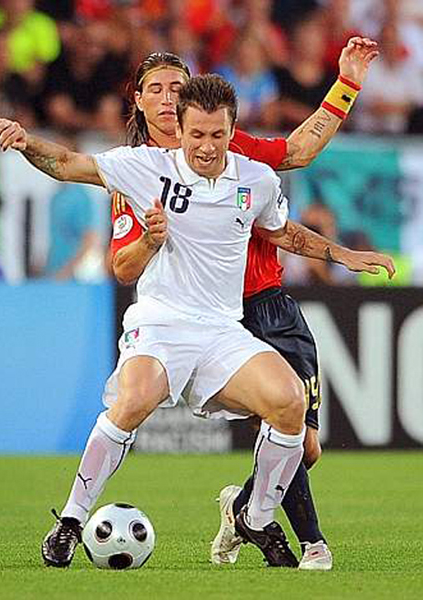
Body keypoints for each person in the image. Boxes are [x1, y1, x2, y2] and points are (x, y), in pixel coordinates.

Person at [0, 75, 394, 571]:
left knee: (289, 404)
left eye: (217, 136)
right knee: (134, 399)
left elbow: (282, 232)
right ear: (178, 130)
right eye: (196, 135)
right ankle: (71, 520)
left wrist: (342, 254)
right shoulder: (145, 167)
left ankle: (257, 519)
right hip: (160, 324)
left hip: (223, 330)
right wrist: (27, 140)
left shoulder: (256, 180)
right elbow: (69, 164)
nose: (206, 147)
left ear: (232, 130)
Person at [107, 42, 381, 570]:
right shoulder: (134, 175)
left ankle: (241, 509)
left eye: (177, 89)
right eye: (157, 90)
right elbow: (121, 265)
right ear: (140, 102)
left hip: (268, 303)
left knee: (307, 448)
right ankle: (311, 543)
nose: (169, 100)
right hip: (210, 319)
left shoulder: (232, 146)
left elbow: (299, 150)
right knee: (282, 428)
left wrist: (346, 83)